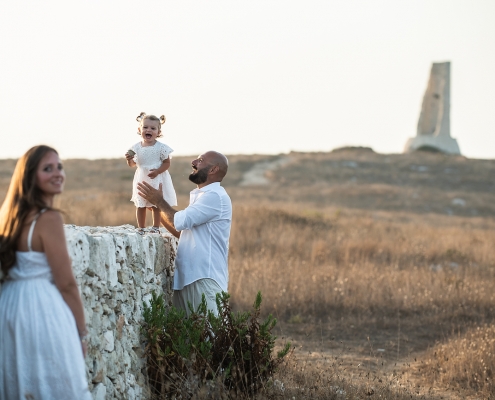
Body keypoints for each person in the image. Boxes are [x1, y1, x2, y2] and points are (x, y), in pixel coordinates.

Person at [0, 145, 91, 399]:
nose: (57, 173)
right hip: (40, 310)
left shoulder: (10, 217)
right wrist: (82, 334)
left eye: (59, 167)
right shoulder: (48, 219)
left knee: (19, 381)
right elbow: (66, 285)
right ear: (30, 176)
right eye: (47, 168)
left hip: (9, 306)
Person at [137, 151, 232, 316]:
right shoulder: (203, 196)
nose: (193, 161)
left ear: (213, 170)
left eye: (201, 160)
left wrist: (159, 201)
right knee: (188, 339)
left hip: (203, 278)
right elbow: (181, 232)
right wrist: (156, 205)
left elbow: (177, 220)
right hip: (189, 278)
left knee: (208, 338)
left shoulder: (215, 196)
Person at [125, 112, 177, 234]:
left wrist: (158, 171)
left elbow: (166, 163)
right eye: (145, 127)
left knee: (156, 204)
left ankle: (155, 227)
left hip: (157, 177)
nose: (148, 130)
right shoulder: (136, 148)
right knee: (140, 204)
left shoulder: (161, 147)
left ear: (158, 132)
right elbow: (133, 164)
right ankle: (141, 228)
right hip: (142, 177)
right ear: (139, 129)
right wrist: (129, 160)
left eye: (153, 128)